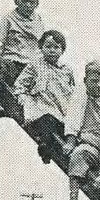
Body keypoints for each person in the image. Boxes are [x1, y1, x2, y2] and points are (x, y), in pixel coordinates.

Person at [62, 60, 100, 200]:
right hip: (91, 143)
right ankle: (73, 198)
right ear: (85, 80)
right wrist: (71, 139)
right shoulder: (81, 95)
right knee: (79, 155)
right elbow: (74, 116)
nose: (99, 85)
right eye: (94, 81)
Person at [14, 29, 76, 167]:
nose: (52, 50)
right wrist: (21, 94)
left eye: (56, 47)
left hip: (61, 104)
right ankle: (44, 147)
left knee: (65, 126)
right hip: (43, 102)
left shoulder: (66, 70)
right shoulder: (35, 65)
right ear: (41, 48)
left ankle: (64, 146)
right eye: (48, 47)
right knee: (46, 120)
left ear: (62, 50)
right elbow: (21, 82)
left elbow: (72, 89)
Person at [0, 0, 45, 123]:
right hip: (12, 62)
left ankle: (37, 113)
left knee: (42, 82)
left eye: (32, 2)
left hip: (29, 65)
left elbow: (41, 43)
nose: (28, 5)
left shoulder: (37, 20)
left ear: (37, 4)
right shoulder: (8, 18)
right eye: (24, 1)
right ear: (16, 1)